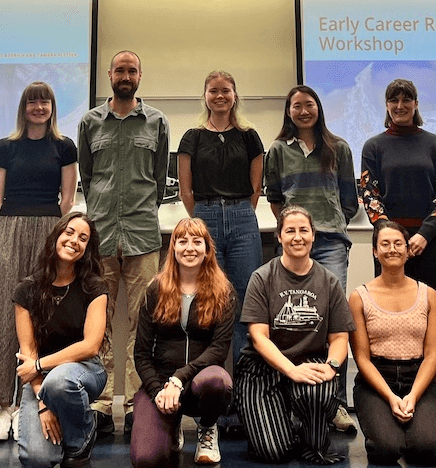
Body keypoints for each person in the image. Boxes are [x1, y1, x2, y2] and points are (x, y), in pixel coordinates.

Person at [78, 50, 169, 436]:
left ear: (140, 75)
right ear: (110, 75)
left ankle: (134, 403)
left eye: (132, 70)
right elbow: (87, 173)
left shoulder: (157, 121)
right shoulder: (89, 122)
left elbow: (161, 177)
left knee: (139, 322)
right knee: (98, 323)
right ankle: (100, 402)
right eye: (120, 70)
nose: (126, 75)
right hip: (99, 236)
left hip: (143, 235)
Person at [360, 78, 436, 436]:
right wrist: (395, 238)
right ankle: (389, 398)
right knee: (385, 320)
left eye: (407, 99)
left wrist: (424, 235)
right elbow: (369, 194)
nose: (400, 105)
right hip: (389, 246)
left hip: (429, 243)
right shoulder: (373, 145)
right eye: (393, 100)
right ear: (386, 105)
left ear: (416, 103)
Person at [0, 82, 78, 442]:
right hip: (9, 229)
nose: (39, 107)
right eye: (32, 101)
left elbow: (67, 200)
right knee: (3, 315)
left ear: (52, 107)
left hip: (49, 230)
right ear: (23, 108)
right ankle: (2, 407)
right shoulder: (5, 148)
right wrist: (17, 224)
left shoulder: (64, 147)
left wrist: (50, 233)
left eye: (45, 101)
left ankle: (31, 399)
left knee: (42, 317)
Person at [264, 85, 358, 432]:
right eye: (296, 106)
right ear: (288, 112)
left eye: (309, 105)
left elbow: (349, 199)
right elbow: (275, 197)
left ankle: (336, 403)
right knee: (288, 323)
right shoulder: (277, 150)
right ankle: (290, 400)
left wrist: (328, 224)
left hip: (331, 242)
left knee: (336, 322)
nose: (303, 111)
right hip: (292, 245)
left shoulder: (339, 148)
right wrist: (294, 228)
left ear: (318, 108)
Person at [235, 206, 354, 465]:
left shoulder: (329, 281)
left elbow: (339, 338)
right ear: (279, 236)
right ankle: (286, 426)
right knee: (274, 452)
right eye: (290, 231)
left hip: (308, 363)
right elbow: (258, 337)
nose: (297, 237)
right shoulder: (262, 277)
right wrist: (290, 370)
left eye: (304, 230)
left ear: (313, 236)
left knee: (320, 391)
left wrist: (331, 366)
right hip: (262, 370)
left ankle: (306, 429)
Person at [177, 70, 263, 428]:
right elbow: (186, 190)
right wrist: (203, 219)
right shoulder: (192, 137)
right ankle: (211, 399)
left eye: (225, 90)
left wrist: (238, 212)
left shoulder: (249, 136)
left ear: (234, 95)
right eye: (213, 91)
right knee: (210, 305)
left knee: (245, 305)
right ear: (205, 96)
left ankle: (245, 398)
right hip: (206, 218)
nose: (220, 96)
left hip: (243, 218)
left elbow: (256, 188)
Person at [130, 218, 237, 467]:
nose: (190, 248)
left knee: (217, 382)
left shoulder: (224, 291)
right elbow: (141, 354)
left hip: (199, 381)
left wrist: (179, 378)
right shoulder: (154, 289)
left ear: (207, 249)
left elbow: (219, 350)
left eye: (197, 242)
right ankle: (171, 421)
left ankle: (208, 428)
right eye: (183, 241)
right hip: (162, 385)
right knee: (146, 459)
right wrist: (158, 391)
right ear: (173, 248)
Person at [13, 212, 108, 468]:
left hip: (86, 370)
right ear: (56, 236)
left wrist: (41, 366)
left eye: (83, 238)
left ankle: (80, 441)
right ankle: (64, 424)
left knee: (59, 381)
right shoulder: (26, 290)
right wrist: (43, 405)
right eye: (69, 232)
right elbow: (28, 354)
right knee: (36, 458)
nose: (74, 240)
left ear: (87, 248)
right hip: (39, 379)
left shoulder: (94, 287)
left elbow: (91, 346)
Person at [349, 220, 436, 465]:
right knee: (387, 449)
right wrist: (392, 398)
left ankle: (413, 426)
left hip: (419, 380)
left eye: (398, 244)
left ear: (407, 250)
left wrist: (413, 396)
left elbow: (433, 355)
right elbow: (361, 358)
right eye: (385, 244)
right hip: (377, 381)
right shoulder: (358, 297)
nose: (392, 249)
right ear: (375, 251)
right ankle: (385, 430)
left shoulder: (429, 295)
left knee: (428, 449)